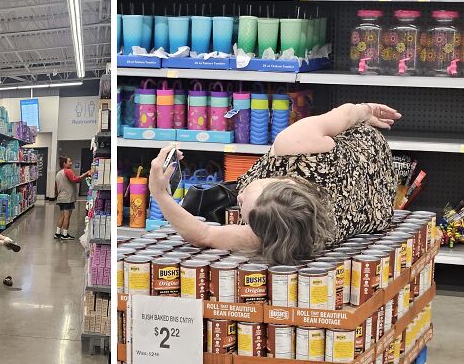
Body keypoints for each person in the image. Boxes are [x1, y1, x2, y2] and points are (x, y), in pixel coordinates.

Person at [149, 103, 401, 265]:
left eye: (243, 204)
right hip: (370, 169)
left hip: (370, 183)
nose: (238, 198)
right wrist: (368, 111)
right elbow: (344, 114)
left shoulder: (291, 231)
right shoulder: (296, 147)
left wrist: (160, 193)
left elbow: (204, 235)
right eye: (245, 198)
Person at [54, 156, 91, 240]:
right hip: (68, 198)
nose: (71, 163)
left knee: (62, 215)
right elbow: (75, 180)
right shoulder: (68, 171)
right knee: (67, 216)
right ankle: (65, 234)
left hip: (61, 197)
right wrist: (85, 174)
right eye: (69, 161)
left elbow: (55, 187)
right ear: (64, 163)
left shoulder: (59, 173)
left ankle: (57, 233)